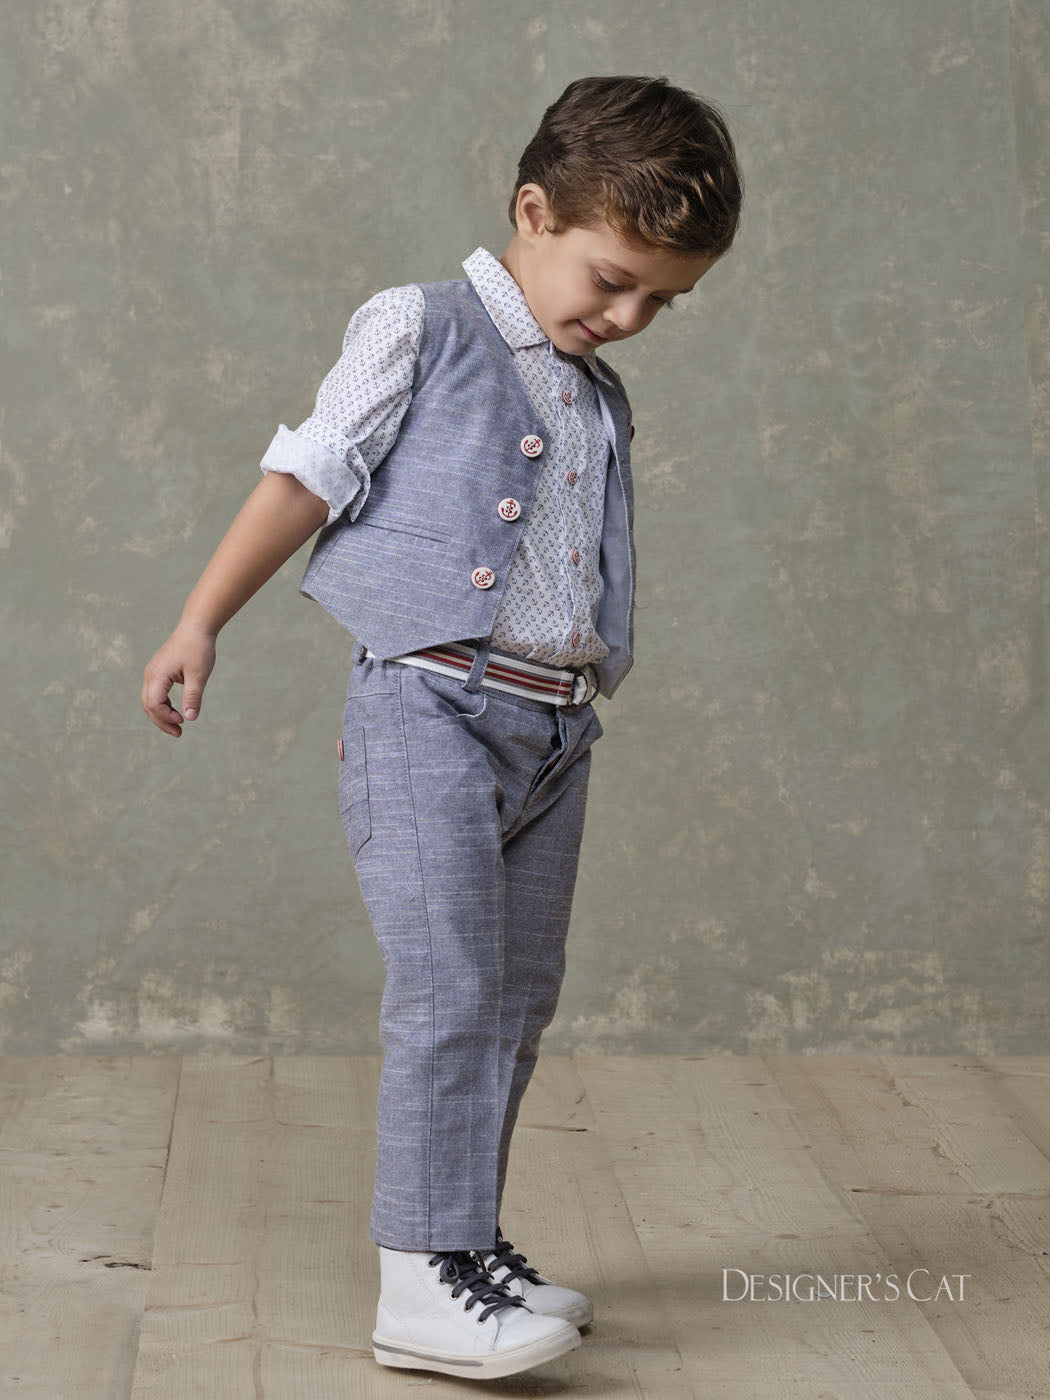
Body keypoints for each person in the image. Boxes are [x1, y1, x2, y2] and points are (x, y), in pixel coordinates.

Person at [142, 73, 743, 1382]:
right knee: (452, 990)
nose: (628, 318)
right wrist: (200, 621)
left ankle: (465, 1243)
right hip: (429, 710)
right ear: (533, 212)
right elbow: (311, 472)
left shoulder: (595, 391)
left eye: (661, 302)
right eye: (612, 280)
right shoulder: (420, 325)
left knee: (517, 999)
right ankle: (417, 1275)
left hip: (554, 733)